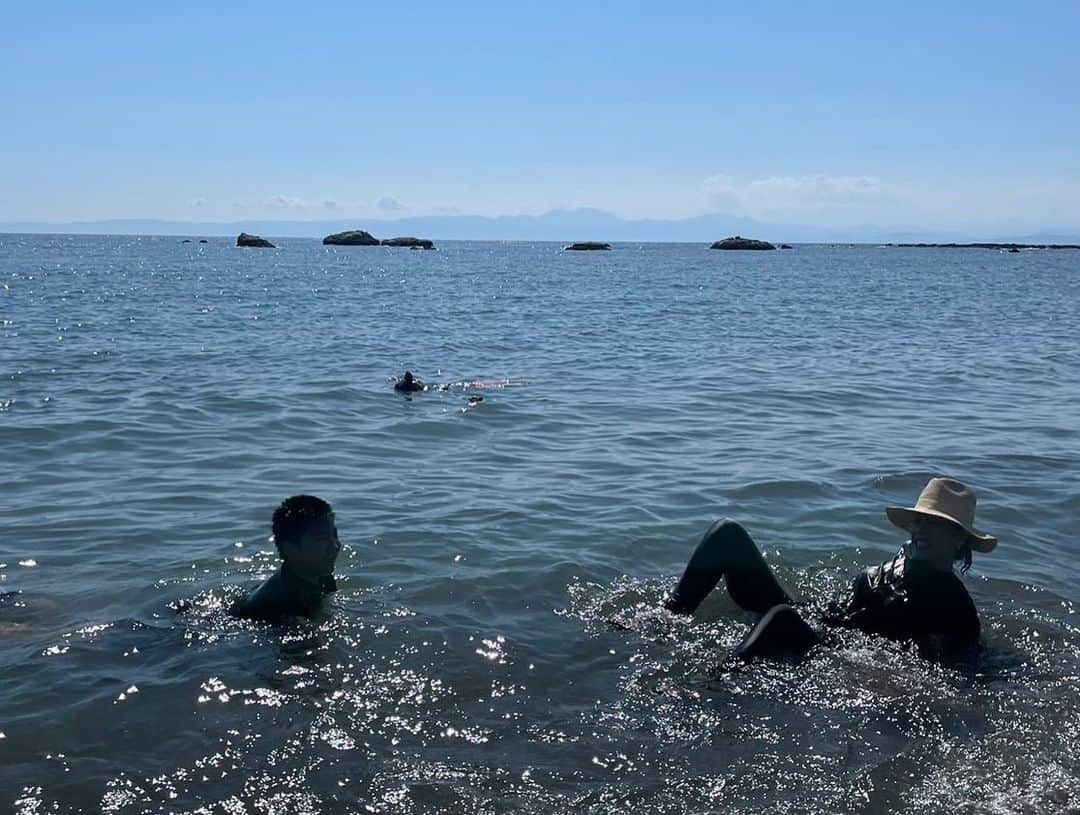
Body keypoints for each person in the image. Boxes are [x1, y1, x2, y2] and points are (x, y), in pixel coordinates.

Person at [663, 477, 996, 659]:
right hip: (811, 618)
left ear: (957, 540)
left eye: (934, 524)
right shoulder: (902, 565)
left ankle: (708, 690)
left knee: (781, 620)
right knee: (727, 534)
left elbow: (960, 665)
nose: (921, 529)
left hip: (823, 645)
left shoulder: (955, 606)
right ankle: (663, 622)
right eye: (919, 521)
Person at [229, 495, 342, 622]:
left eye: (334, 535)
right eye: (322, 539)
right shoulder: (286, 604)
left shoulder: (320, 574)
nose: (335, 545)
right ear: (291, 549)